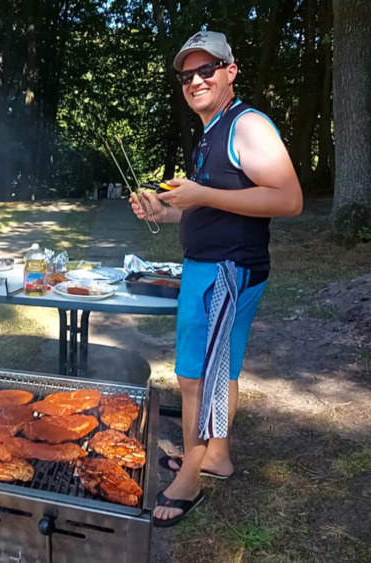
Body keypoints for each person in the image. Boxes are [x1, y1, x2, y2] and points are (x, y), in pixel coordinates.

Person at [129, 31, 302, 527]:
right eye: (187, 75)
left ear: (231, 71)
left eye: (208, 70)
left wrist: (202, 195)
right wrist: (164, 210)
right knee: (218, 368)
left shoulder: (246, 124)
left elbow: (288, 199)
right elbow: (218, 202)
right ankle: (216, 455)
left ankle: (189, 478)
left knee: (194, 377)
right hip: (219, 265)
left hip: (227, 268)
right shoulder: (214, 130)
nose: (197, 80)